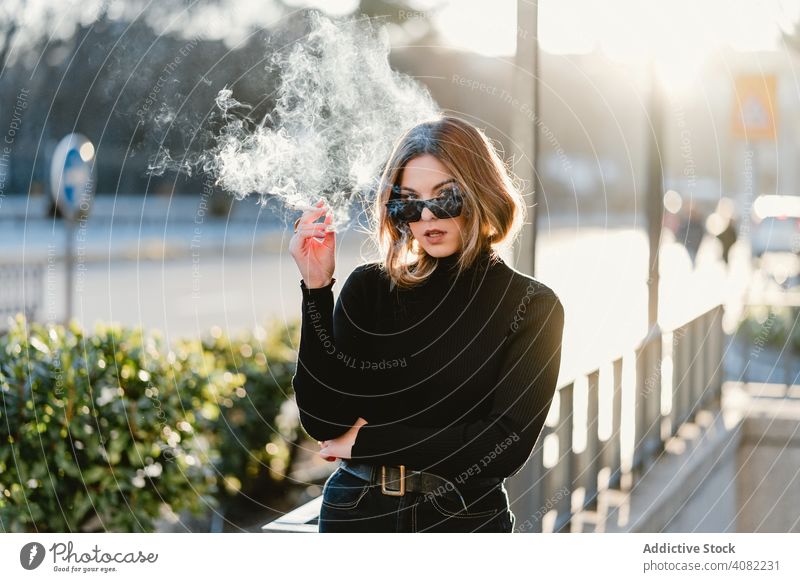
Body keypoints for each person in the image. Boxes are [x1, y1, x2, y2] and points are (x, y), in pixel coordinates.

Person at [289, 116, 565, 533]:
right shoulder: (370, 288)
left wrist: (367, 441)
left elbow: (502, 446)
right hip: (356, 513)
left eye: (446, 197)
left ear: (481, 190)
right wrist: (315, 288)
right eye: (409, 201)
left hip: (464, 520)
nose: (427, 215)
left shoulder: (533, 307)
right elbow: (324, 420)